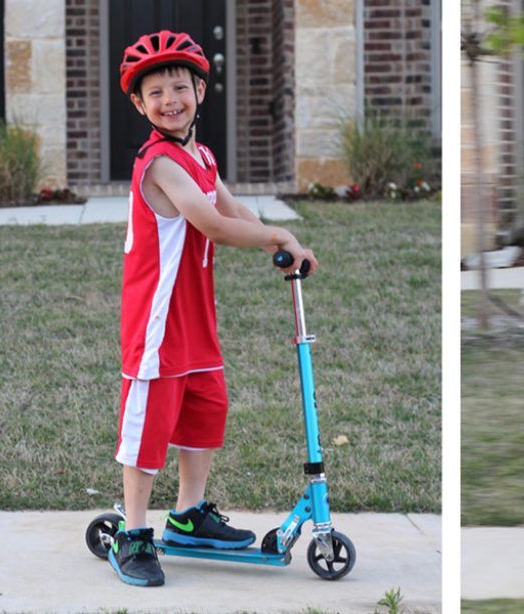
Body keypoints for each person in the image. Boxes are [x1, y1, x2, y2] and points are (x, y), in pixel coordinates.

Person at [110, 30, 318, 587]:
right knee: (149, 429)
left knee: (205, 410)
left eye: (180, 87)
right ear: (139, 105)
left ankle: (188, 516)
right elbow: (214, 226)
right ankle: (133, 533)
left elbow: (233, 209)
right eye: (156, 93)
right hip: (157, 321)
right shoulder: (160, 163)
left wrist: (286, 243)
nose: (170, 100)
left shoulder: (199, 156)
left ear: (201, 91)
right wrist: (275, 235)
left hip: (196, 316)